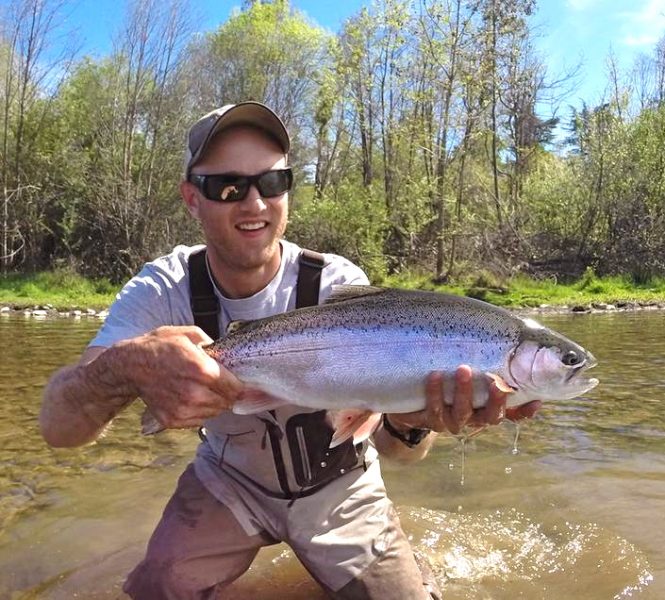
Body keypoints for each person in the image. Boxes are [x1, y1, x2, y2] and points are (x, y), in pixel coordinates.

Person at [40, 101, 540, 600]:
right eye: (228, 187)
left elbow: (393, 451)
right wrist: (125, 366)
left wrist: (414, 422)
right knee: (159, 589)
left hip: (338, 488)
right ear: (192, 199)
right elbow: (59, 430)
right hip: (228, 483)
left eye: (273, 182)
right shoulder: (161, 290)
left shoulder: (341, 287)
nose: (254, 204)